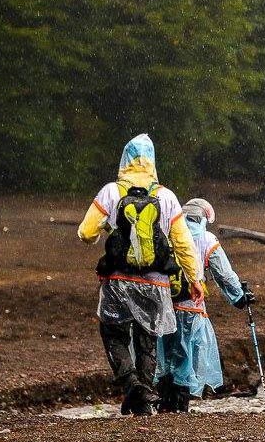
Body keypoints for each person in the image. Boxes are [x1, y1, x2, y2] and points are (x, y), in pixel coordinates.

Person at [77, 134, 204, 416]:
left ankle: (132, 385)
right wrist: (194, 278)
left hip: (118, 282)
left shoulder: (111, 192)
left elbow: (85, 233)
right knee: (147, 340)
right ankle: (143, 398)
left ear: (125, 159)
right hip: (156, 283)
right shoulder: (166, 196)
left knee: (113, 334)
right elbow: (182, 243)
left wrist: (107, 229)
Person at [154, 198, 256, 412]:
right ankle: (179, 407)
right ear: (203, 218)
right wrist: (239, 297)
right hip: (190, 305)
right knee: (184, 355)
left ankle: (164, 403)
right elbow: (224, 274)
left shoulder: (168, 233)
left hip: (164, 305)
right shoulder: (206, 239)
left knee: (165, 353)